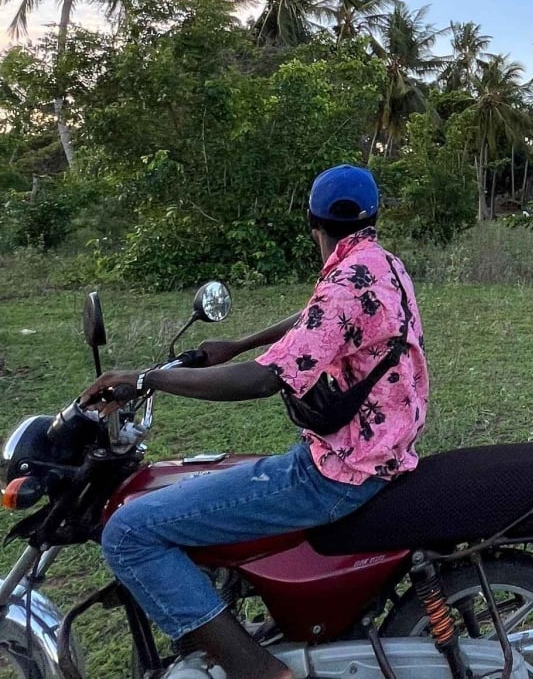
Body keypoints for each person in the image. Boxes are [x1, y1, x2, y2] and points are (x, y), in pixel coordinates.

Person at [85, 165, 429, 679]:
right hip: (383, 452)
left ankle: (258, 670)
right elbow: (316, 317)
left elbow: (265, 380)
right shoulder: (380, 265)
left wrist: (147, 379)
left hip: (338, 473)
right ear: (373, 216)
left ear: (313, 223)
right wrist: (239, 343)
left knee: (128, 530)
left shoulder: (347, 281)